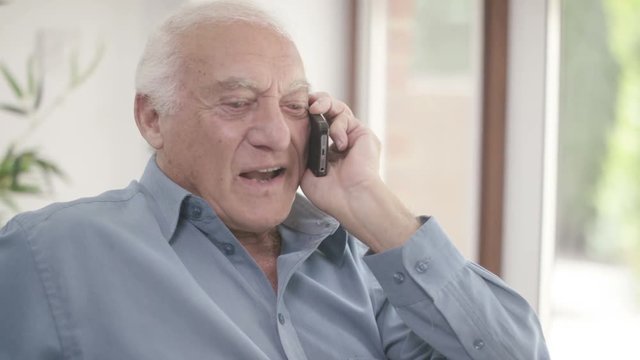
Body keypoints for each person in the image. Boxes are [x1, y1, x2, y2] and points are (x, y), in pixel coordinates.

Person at [0, 1, 549, 359]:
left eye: (292, 105)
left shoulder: (363, 265)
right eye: (237, 103)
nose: (274, 133)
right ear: (152, 119)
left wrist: (366, 199)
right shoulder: (47, 255)